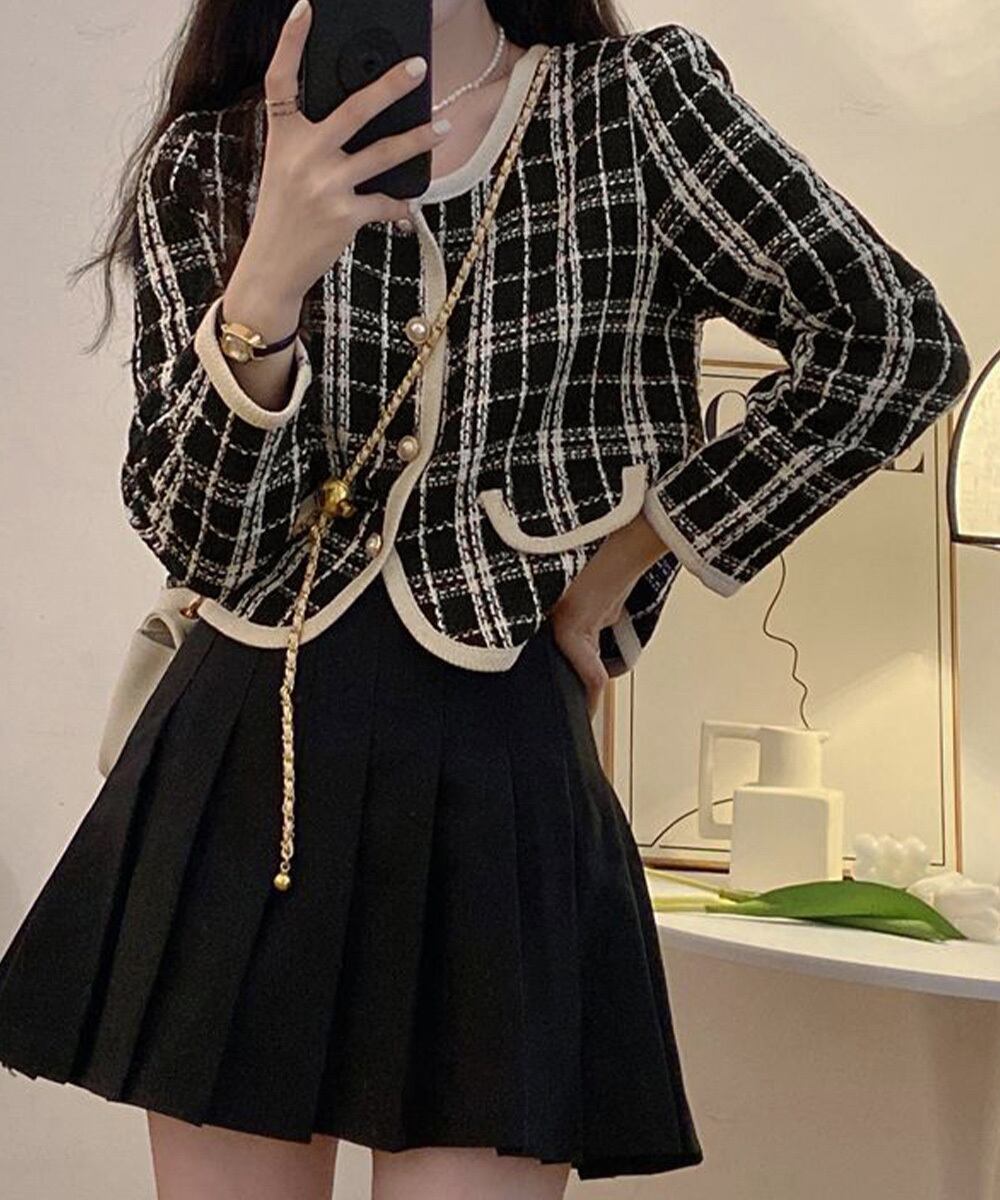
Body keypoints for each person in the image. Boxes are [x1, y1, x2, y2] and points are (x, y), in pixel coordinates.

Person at [0, 0, 970, 1197]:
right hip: (245, 763)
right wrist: (270, 278)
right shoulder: (212, 161)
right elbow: (200, 538)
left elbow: (894, 344)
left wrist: (639, 551)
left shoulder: (635, 111)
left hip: (498, 768)